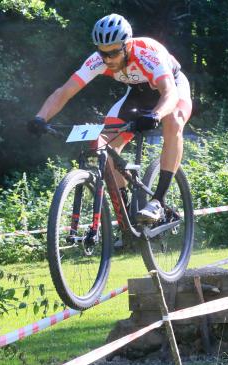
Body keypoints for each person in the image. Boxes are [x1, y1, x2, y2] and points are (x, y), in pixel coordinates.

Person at [27, 13, 192, 224]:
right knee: (103, 145)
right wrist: (40, 117)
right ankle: (126, 218)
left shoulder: (147, 53)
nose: (107, 59)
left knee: (174, 122)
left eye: (113, 53)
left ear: (127, 45)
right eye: (103, 53)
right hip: (138, 95)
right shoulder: (99, 60)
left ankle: (158, 201)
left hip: (172, 88)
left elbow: (169, 93)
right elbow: (64, 92)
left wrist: (157, 115)